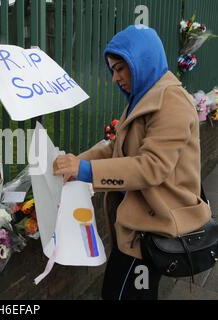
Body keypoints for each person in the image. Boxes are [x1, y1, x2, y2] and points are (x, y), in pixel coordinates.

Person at [53, 25, 211, 300]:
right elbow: (117, 147)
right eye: (112, 70)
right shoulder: (145, 96)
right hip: (139, 224)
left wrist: (85, 170)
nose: (115, 78)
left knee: (121, 294)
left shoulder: (171, 102)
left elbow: (152, 166)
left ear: (142, 61)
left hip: (153, 226)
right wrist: (76, 163)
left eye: (120, 68)